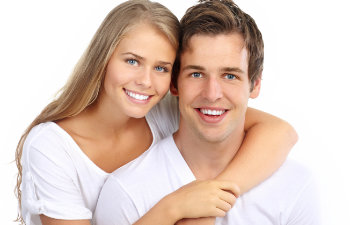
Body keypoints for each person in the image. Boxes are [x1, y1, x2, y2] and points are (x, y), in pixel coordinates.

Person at [15, 0, 298, 225]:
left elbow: (280, 132)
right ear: (103, 58)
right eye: (133, 61)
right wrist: (175, 207)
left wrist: (213, 198)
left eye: (161, 67)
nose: (146, 81)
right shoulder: (51, 147)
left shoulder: (160, 110)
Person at [94, 0, 320, 224]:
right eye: (196, 74)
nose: (212, 94)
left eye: (230, 76)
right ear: (174, 84)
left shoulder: (295, 186)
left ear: (255, 85)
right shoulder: (126, 193)